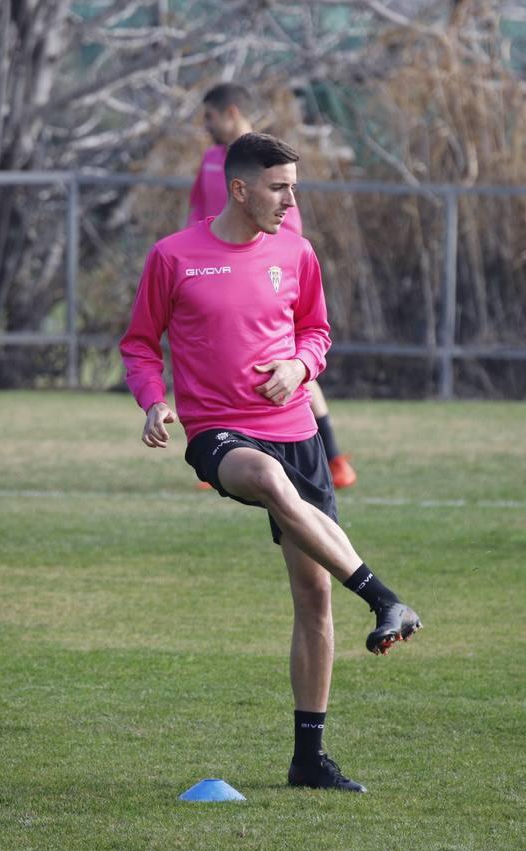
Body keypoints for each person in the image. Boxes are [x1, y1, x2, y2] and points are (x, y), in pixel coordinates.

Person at [121, 132, 422, 793]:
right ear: (241, 189)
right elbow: (140, 344)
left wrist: (299, 365)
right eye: (280, 187)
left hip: (297, 433)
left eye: (293, 186)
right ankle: (384, 597)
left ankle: (309, 760)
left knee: (314, 595)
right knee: (261, 477)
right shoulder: (174, 256)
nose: (291, 200)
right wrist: (153, 401)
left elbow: (318, 332)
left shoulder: (297, 251)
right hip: (220, 433)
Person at [189, 82, 357, 490]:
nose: (205, 125)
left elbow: (286, 229)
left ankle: (332, 458)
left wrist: (272, 270)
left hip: (265, 276)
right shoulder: (213, 160)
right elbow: (196, 212)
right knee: (225, 363)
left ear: (230, 112)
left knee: (292, 368)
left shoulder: (266, 163)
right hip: (217, 278)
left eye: (209, 116)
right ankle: (227, 448)